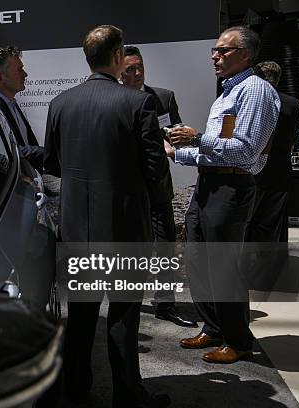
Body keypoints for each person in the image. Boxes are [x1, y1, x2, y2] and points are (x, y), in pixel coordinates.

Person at [44, 25, 170, 407]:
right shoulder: (137, 103)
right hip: (125, 229)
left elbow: (53, 165)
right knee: (123, 316)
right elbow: (155, 170)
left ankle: (77, 390)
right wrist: (163, 215)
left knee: (80, 317)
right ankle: (127, 396)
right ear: (118, 56)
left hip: (78, 229)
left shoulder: (60, 103)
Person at [166, 26, 280, 364]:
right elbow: (219, 153)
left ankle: (239, 340)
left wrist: (197, 138)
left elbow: (244, 152)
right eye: (215, 50)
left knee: (224, 266)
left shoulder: (255, 91)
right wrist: (177, 152)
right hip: (211, 183)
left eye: (223, 50)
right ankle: (213, 327)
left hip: (231, 188)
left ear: (245, 54)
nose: (215, 56)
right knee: (199, 261)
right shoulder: (228, 92)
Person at [121, 45, 197, 328]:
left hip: (158, 187)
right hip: (127, 189)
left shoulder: (162, 98)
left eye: (140, 67)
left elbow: (176, 133)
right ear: (119, 71)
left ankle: (166, 303)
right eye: (130, 69)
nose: (137, 73)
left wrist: (175, 139)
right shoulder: (113, 99)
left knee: (165, 247)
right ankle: (128, 302)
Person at [247, 61, 299, 243]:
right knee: (275, 226)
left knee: (249, 223)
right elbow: (294, 136)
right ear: (278, 79)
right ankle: (275, 267)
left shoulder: (252, 100)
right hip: (280, 171)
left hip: (253, 170)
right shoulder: (293, 104)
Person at [0, 45, 44, 171]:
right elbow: (10, 151)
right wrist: (48, 153)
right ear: (0, 77)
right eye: (19, 70)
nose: (25, 74)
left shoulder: (11, 103)